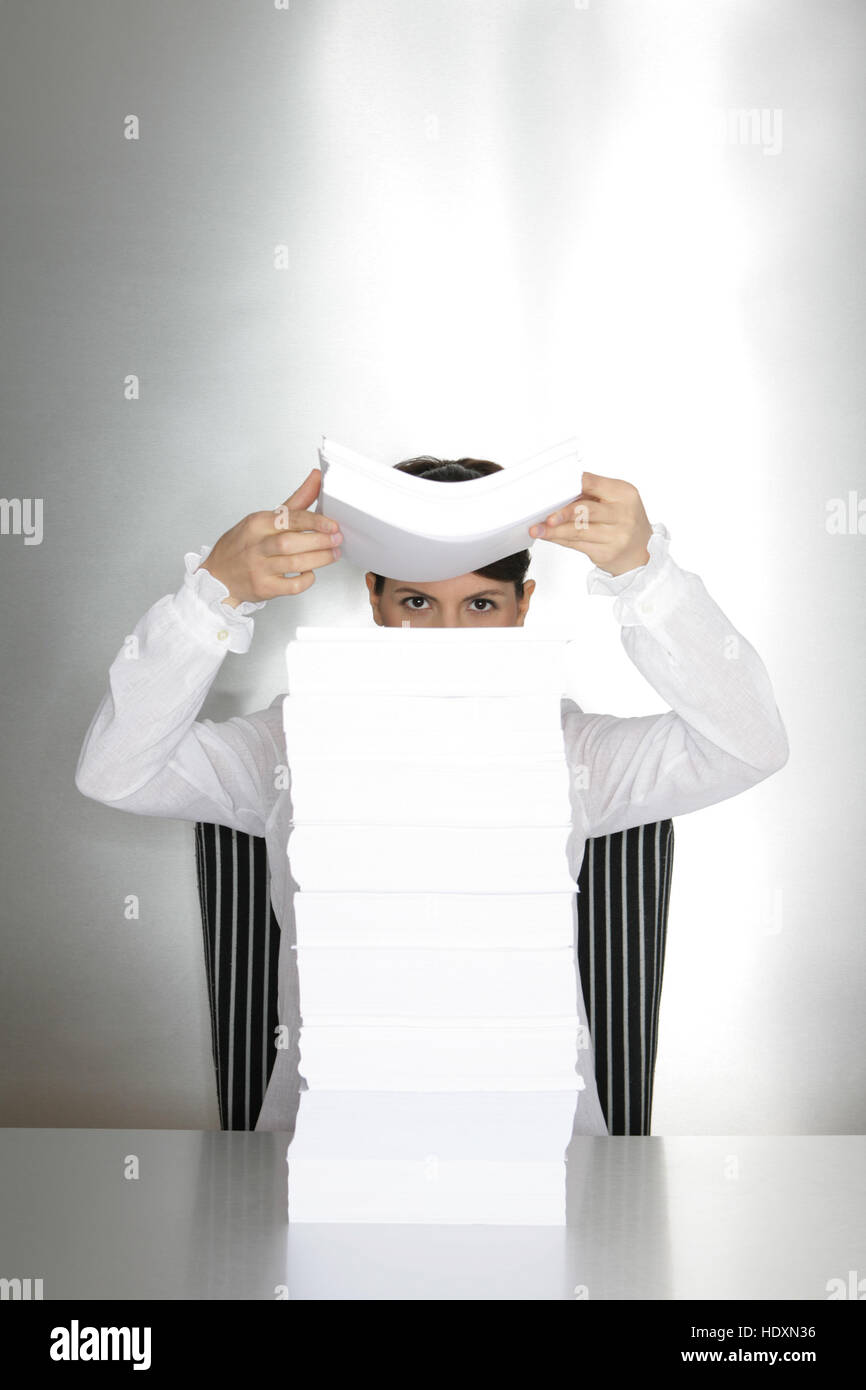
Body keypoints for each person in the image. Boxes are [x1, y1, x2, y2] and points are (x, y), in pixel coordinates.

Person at [75, 458, 789, 1134]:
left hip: (545, 1158)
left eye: (480, 603)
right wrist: (214, 596)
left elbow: (747, 744)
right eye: (418, 601)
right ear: (377, 601)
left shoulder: (573, 752)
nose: (448, 634)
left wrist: (645, 575)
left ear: (521, 607)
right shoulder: (293, 743)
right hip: (318, 1153)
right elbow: (118, 771)